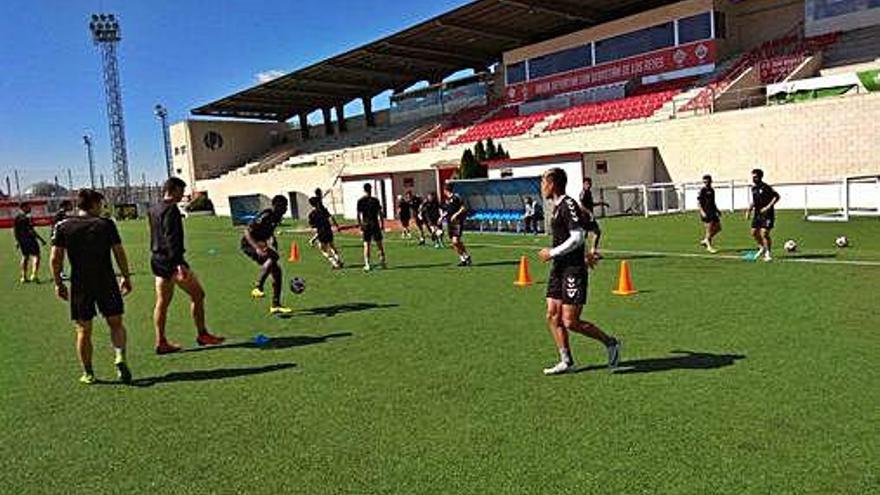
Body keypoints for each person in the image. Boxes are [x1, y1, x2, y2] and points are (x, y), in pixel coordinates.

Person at [537, 168, 621, 376]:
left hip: (572, 271)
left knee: (570, 321)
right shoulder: (557, 207)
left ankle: (611, 343)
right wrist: (587, 253)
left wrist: (552, 252)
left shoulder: (568, 204)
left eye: (543, 182)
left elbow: (577, 236)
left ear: (553, 184)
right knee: (552, 315)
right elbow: (583, 227)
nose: (542, 187)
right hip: (559, 269)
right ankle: (566, 361)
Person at [50, 189, 133, 385]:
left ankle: (88, 373)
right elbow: (119, 252)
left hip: (80, 283)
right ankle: (120, 356)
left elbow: (55, 258)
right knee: (116, 323)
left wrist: (58, 283)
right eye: (101, 204)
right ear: (94, 204)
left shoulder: (63, 226)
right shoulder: (106, 224)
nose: (102, 208)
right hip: (106, 280)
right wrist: (125, 276)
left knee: (83, 330)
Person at [149, 178, 225, 354]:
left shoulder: (154, 208)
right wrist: (178, 264)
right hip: (171, 261)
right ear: (173, 189)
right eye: (181, 191)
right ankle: (202, 334)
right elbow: (171, 237)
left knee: (162, 302)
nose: (183, 195)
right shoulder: (171, 209)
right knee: (198, 294)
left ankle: (161, 341)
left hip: (157, 259)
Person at [241, 194, 293, 314]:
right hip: (249, 244)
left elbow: (269, 231)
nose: (286, 209)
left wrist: (273, 241)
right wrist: (257, 248)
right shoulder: (267, 214)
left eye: (286, 206)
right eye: (283, 206)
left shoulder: (277, 217)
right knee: (274, 257)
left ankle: (275, 305)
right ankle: (258, 287)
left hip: (261, 243)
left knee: (277, 272)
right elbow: (247, 231)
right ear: (276, 206)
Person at [747, 168, 781, 262]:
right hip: (757, 214)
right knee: (753, 233)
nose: (753, 178)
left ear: (760, 177)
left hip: (767, 214)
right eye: (753, 177)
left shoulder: (766, 187)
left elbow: (777, 196)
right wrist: (749, 210)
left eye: (755, 177)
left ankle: (768, 253)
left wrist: (768, 207)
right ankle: (762, 247)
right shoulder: (753, 188)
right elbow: (754, 201)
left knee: (764, 233)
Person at [356, 183, 387, 271]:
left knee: (366, 244)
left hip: (366, 224)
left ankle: (367, 264)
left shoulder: (360, 201)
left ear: (364, 189)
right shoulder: (375, 200)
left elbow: (358, 215)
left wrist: (360, 225)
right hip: (375, 223)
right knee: (379, 244)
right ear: (371, 189)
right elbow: (380, 213)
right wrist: (382, 224)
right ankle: (383, 262)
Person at [14, 203, 46, 283]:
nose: (30, 208)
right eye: (28, 207)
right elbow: (31, 230)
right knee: (36, 256)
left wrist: (17, 241)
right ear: (23, 208)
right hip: (30, 240)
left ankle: (23, 277)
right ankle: (34, 275)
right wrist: (41, 239)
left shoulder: (17, 217)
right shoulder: (27, 217)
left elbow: (16, 230)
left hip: (22, 240)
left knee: (25, 256)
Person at [308, 196, 343, 269]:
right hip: (329, 231)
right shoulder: (324, 210)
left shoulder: (312, 214)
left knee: (323, 250)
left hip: (321, 233)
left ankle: (334, 262)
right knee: (332, 246)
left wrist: (313, 239)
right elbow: (331, 218)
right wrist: (336, 226)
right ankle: (338, 260)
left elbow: (314, 228)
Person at [443, 182, 472, 266]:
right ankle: (463, 259)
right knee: (454, 242)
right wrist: (441, 217)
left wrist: (456, 214)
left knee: (456, 241)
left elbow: (463, 207)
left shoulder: (456, 197)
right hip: (449, 223)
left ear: (446, 190)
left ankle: (466, 255)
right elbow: (447, 211)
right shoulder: (446, 200)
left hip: (457, 222)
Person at [579, 178, 609, 257]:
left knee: (596, 232)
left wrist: (601, 203)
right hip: (584, 217)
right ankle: (585, 252)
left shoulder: (589, 192)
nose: (589, 185)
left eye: (590, 184)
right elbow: (581, 206)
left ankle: (592, 251)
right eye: (587, 184)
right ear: (584, 184)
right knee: (587, 234)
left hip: (589, 217)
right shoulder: (583, 193)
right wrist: (589, 213)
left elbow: (591, 204)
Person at [697, 175, 722, 254]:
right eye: (704, 182)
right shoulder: (702, 190)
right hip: (706, 212)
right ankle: (709, 247)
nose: (706, 183)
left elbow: (713, 202)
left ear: (711, 181)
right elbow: (699, 203)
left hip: (713, 211)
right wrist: (702, 212)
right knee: (709, 229)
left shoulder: (712, 190)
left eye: (707, 181)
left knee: (718, 228)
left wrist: (717, 210)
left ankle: (706, 240)